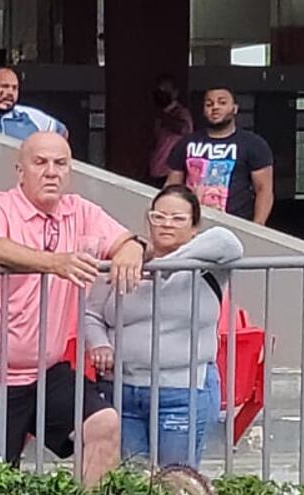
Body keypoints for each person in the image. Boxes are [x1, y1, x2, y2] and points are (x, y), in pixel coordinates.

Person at [0, 132, 146, 484]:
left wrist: (132, 249)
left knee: (103, 423)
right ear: (20, 171)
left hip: (45, 369)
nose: (51, 172)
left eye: (61, 163)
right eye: (40, 163)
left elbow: (125, 241)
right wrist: (54, 262)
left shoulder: (80, 210)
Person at [81, 185, 242, 471]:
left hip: (183, 390)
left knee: (177, 481)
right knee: (132, 483)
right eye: (159, 216)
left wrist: (164, 266)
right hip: (123, 389)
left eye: (179, 218)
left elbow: (228, 242)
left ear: (195, 227)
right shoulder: (123, 260)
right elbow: (92, 314)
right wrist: (100, 344)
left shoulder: (208, 265)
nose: (167, 223)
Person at [182, 88, 275, 226]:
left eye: (222, 102)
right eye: (209, 104)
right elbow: (172, 186)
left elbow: (264, 189)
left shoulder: (254, 144)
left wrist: (258, 226)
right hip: (191, 224)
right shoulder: (186, 143)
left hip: (237, 224)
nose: (215, 107)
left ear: (235, 108)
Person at [148, 79, 193, 187]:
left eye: (166, 90)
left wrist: (164, 117)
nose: (162, 93)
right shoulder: (159, 114)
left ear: (175, 92)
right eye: (160, 90)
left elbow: (184, 130)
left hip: (170, 171)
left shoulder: (181, 112)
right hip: (156, 168)